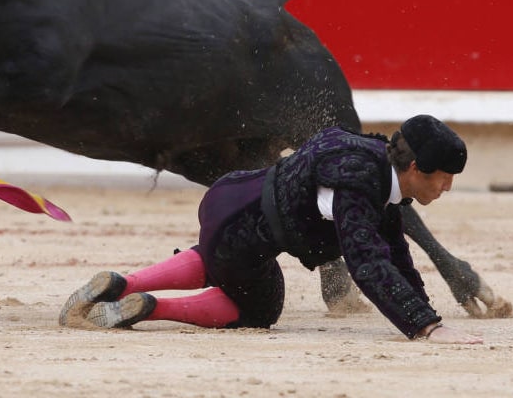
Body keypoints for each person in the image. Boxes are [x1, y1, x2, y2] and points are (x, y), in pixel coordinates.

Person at [60, 115, 484, 344]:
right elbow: (368, 263)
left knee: (221, 257)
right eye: (445, 177)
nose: (447, 188)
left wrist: (428, 316)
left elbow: (394, 252)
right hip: (243, 231)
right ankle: (152, 307)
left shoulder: (373, 159)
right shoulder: (360, 183)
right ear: (415, 168)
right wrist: (425, 328)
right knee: (260, 308)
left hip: (228, 196)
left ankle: (126, 282)